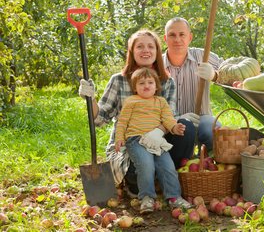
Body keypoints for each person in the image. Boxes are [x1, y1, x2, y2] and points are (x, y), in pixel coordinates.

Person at [78, 29, 196, 199]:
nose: (145, 50)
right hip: (130, 145)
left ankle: (165, 180)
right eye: (140, 46)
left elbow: (171, 117)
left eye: (150, 46)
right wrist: (91, 99)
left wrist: (156, 133)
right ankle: (139, 183)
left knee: (187, 128)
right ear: (132, 52)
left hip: (159, 143)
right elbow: (100, 119)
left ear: (157, 52)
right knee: (137, 167)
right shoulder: (118, 80)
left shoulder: (166, 81)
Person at [114, 67, 190, 213]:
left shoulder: (160, 102)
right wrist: (119, 138)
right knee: (146, 165)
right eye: (141, 83)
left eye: (150, 82)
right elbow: (122, 122)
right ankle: (147, 197)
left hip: (156, 141)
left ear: (156, 86)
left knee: (167, 167)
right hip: (136, 140)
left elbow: (168, 119)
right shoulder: (131, 101)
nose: (146, 86)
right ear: (135, 87)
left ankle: (174, 197)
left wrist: (175, 128)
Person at [163, 17, 224, 152]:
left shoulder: (203, 56)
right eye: (172, 35)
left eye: (182, 34)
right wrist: (174, 120)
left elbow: (232, 73)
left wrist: (215, 75)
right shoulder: (157, 65)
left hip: (201, 117)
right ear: (165, 38)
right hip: (169, 121)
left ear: (190, 37)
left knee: (212, 132)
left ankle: (214, 168)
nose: (177, 39)